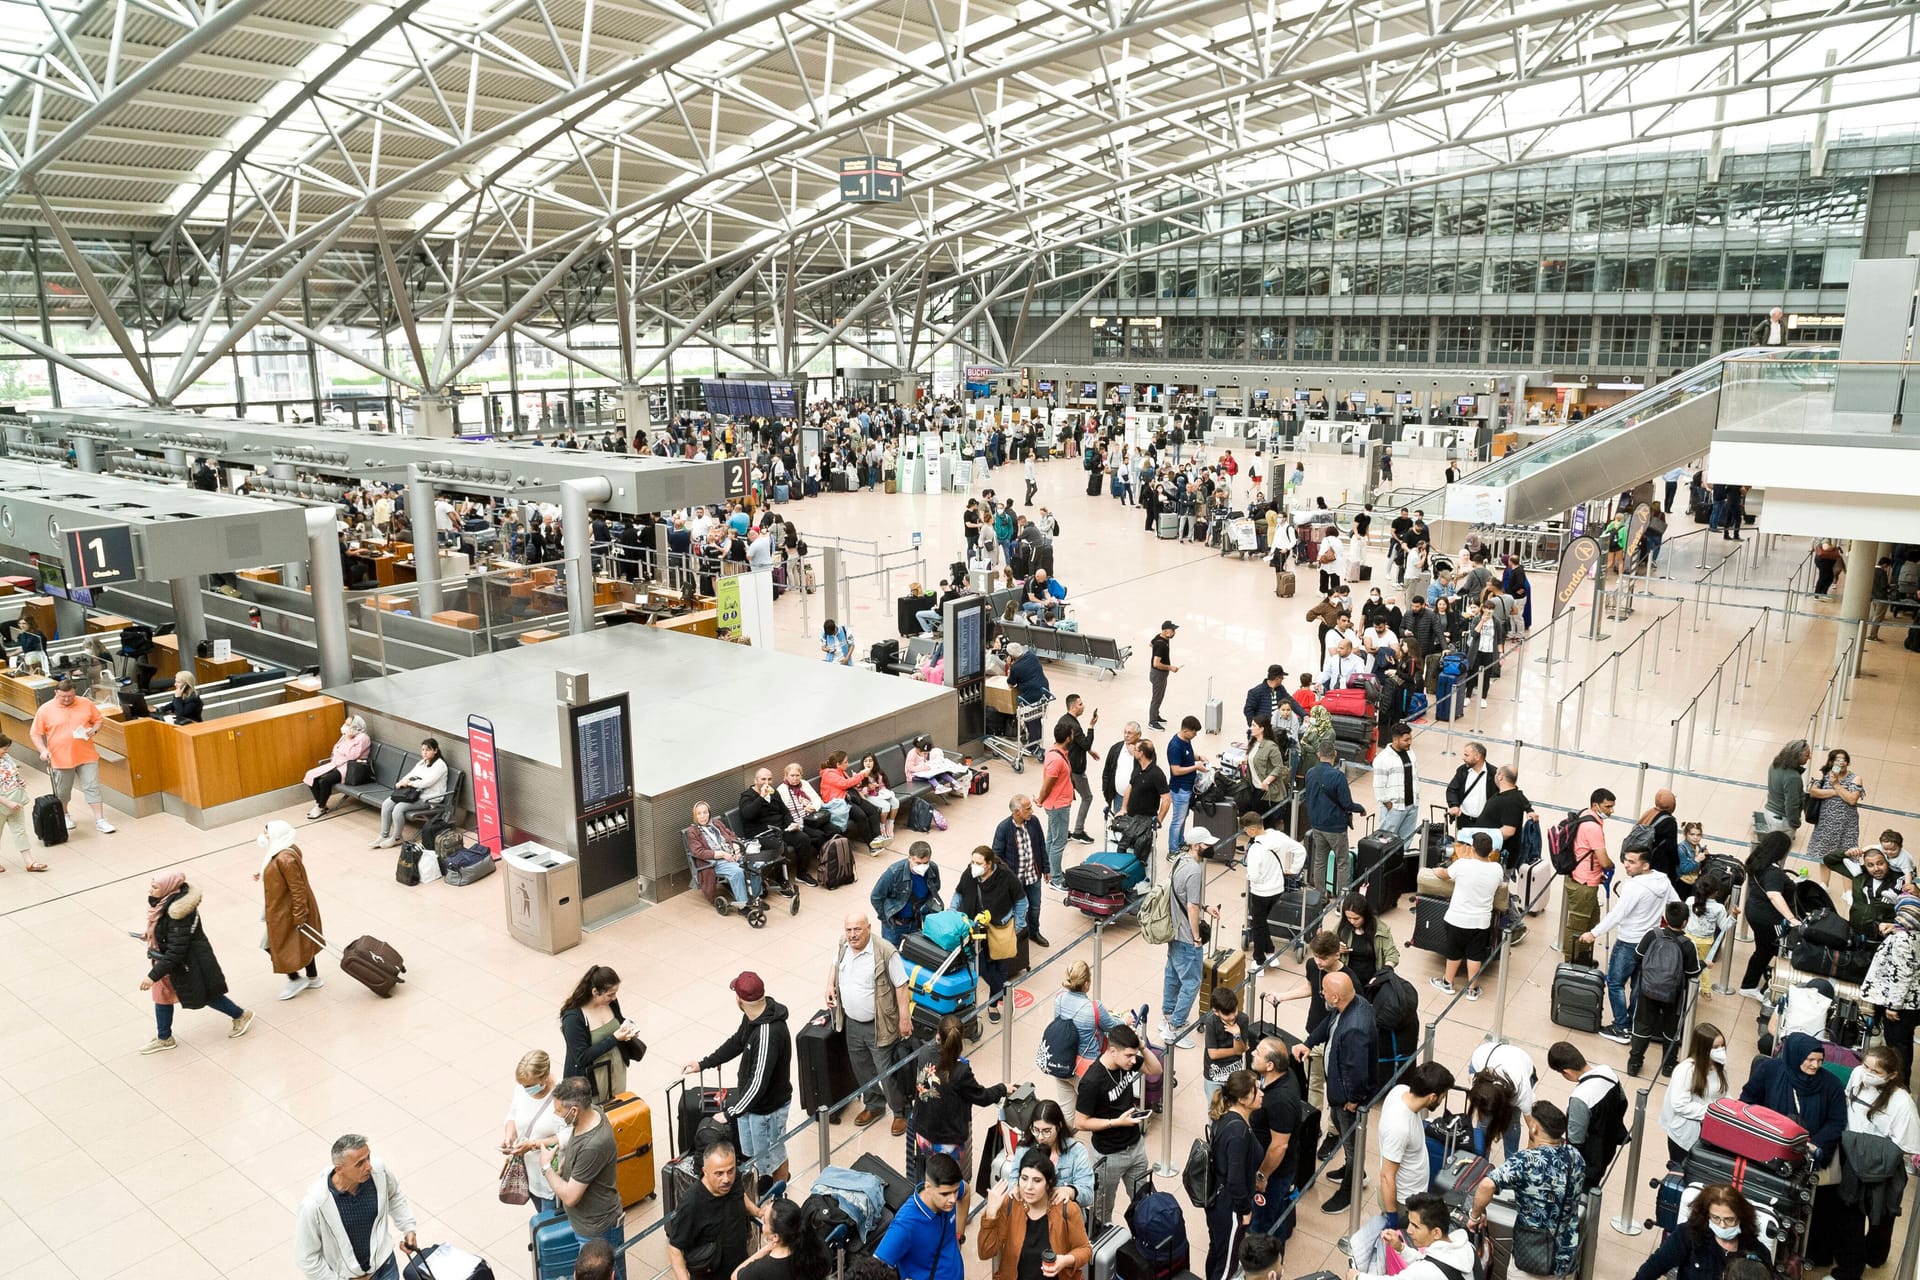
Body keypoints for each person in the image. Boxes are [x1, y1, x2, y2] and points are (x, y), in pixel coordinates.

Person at [683, 971, 793, 1184]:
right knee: (755, 1154)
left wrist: (731, 1111)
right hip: (751, 1106)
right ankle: (765, 1184)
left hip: (768, 1109)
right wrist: (704, 1063)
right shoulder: (754, 1017)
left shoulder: (768, 1033)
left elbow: (758, 1083)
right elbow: (737, 1042)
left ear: (740, 1000)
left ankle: (780, 1195)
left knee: (774, 1156)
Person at [1826, 1045, 1920, 1280]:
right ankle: (1849, 1269)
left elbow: (1908, 1146)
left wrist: (1871, 1151)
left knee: (1882, 1216)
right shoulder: (1858, 1075)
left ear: (1892, 1075)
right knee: (1850, 1215)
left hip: (1883, 1168)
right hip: (1850, 1159)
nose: (1867, 1073)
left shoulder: (1902, 1103)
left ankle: (1876, 1255)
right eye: (1866, 1066)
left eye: (1875, 1071)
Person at [137, 870, 255, 1052]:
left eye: (155, 887)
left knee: (206, 996)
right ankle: (164, 1037)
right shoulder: (163, 904)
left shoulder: (178, 912)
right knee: (162, 997)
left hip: (189, 964)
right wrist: (151, 935)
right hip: (171, 963)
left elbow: (177, 950)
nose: (150, 890)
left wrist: (152, 976)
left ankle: (240, 1015)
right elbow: (164, 930)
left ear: (168, 888)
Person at [1579, 844, 1683, 1046]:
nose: (1626, 865)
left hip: (1628, 941)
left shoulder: (1634, 887)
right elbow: (1675, 903)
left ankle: (1621, 1026)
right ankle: (1635, 1024)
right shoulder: (1662, 880)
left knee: (1616, 982)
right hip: (1651, 941)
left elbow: (1617, 915)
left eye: (1632, 862)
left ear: (1645, 865)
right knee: (1638, 985)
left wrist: (1594, 933)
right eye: (1626, 860)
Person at [1469, 1101, 1586, 1280]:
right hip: (1565, 1257)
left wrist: (1474, 1216)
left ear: (1534, 1128)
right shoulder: (1575, 1156)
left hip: (1531, 1258)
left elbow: (1487, 1185)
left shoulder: (1526, 1161)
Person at [827, 912, 913, 1135]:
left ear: (869, 928)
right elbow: (835, 965)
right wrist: (829, 985)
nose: (852, 935)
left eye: (857, 929)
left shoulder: (885, 952)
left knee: (887, 1072)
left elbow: (902, 987)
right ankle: (874, 1105)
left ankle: (901, 1112)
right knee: (862, 1068)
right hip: (852, 1023)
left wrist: (905, 1019)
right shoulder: (843, 944)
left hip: (880, 1024)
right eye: (849, 930)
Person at [1300, 970, 1376, 1214]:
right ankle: (1352, 1170)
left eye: (1324, 990)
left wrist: (1353, 1099)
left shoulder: (1355, 1027)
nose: (1320, 992)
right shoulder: (1352, 1004)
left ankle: (1350, 1189)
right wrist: (1309, 1042)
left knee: (1352, 1142)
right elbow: (1328, 1024)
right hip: (1341, 1093)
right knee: (1346, 1136)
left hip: (1347, 1099)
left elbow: (1358, 1069)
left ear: (1335, 997)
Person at [293, 1134, 418, 1280]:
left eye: (368, 1158)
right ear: (339, 1169)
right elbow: (306, 1258)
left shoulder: (379, 1172)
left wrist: (408, 1228)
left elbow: (394, 1196)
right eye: (359, 1164)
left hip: (386, 1267)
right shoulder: (314, 1205)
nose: (368, 1166)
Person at [1073, 1022, 1160, 1225]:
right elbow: (1080, 1122)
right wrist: (1116, 1122)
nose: (1133, 1060)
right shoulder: (1092, 1081)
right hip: (1108, 1155)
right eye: (1128, 1055)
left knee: (1144, 1203)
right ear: (1112, 1051)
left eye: (1134, 1055)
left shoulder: (1126, 1063)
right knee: (1102, 1212)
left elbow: (1155, 1069)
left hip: (1135, 1147)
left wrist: (1143, 1047)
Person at [978, 1149, 1094, 1280]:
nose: (1028, 1187)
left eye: (1037, 1180)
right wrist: (991, 1215)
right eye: (1024, 1178)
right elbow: (985, 1252)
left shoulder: (1067, 1209)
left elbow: (1085, 1250)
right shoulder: (1010, 1204)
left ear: (1049, 1183)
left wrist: (1064, 1260)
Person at [1741, 1033, 1846, 1170]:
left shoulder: (1832, 1085)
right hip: (1766, 1143)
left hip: (1806, 1155)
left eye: (1820, 1060)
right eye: (1810, 1059)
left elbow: (1836, 1122)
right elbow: (1747, 1102)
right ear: (1796, 1056)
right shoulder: (1770, 1070)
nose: (1815, 1065)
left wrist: (1815, 1144)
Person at [1628, 1183, 1771, 1280]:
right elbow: (1656, 1265)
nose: (1722, 1225)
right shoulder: (1690, 1234)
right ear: (1706, 1215)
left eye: (1729, 1219)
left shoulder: (1757, 1252)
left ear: (1741, 1217)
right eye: (1716, 1218)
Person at [1623, 902, 1703, 1077]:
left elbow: (1637, 956)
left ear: (1665, 918)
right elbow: (1692, 973)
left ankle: (1634, 1062)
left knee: (1642, 1025)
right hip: (1674, 995)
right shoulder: (1688, 944)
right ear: (1685, 922)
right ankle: (1668, 1066)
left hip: (1647, 990)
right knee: (1671, 1028)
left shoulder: (1652, 935)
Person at [665, 1138, 760, 1280]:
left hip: (740, 1269)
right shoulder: (691, 1204)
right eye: (719, 1173)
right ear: (705, 1171)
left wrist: (757, 1211)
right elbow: (675, 1248)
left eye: (730, 1171)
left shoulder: (733, 1180)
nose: (726, 1179)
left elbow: (741, 1194)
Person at [29, 677, 114, 833]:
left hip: (86, 755)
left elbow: (98, 720)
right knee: (63, 792)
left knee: (92, 787)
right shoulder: (45, 710)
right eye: (63, 696)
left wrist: (94, 729)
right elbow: (35, 733)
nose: (67, 699)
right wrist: (43, 750)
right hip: (60, 758)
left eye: (70, 696)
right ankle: (65, 814)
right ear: (56, 693)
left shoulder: (85, 703)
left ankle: (100, 820)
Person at [254, 819, 325, 1001]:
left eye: (267, 832)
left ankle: (294, 978)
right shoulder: (286, 848)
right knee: (304, 940)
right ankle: (313, 977)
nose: (265, 836)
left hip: (287, 909)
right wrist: (263, 873)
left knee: (269, 944)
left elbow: (297, 888)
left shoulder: (284, 858)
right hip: (287, 907)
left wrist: (299, 915)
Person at [1202, 1071, 1263, 1280]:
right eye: (1257, 1090)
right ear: (1244, 1099)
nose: (1262, 1093)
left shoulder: (1228, 1116)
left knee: (1218, 1251)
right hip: (1229, 1207)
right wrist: (1244, 1210)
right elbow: (1235, 1178)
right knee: (1227, 1265)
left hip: (1217, 1201)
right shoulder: (1238, 1133)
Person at [1429, 831, 1504, 1001]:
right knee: (1474, 955)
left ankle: (1448, 983)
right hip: (1481, 922)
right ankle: (1472, 989)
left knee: (1453, 952)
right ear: (1491, 850)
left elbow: (1444, 874)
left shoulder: (1462, 864)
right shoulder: (1497, 869)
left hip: (1457, 918)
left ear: (1472, 849)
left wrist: (1435, 870)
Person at [955, 846, 1024, 1022]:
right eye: (972, 862)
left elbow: (1021, 900)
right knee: (979, 967)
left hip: (998, 929)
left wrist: (1018, 926)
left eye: (978, 863)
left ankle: (993, 1003)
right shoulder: (969, 874)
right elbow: (958, 894)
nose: (974, 866)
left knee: (1000, 966)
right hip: (974, 929)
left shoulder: (1006, 877)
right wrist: (953, 915)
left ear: (989, 864)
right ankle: (1003, 991)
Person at [1549, 1041, 1627, 1192]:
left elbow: (1575, 1141)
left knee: (1582, 1189)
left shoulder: (1580, 1097)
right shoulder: (1608, 1072)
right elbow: (1623, 1102)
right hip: (1609, 1144)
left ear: (1567, 1072)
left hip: (1589, 1158)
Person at [1159, 837, 1214, 1049]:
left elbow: (1182, 897)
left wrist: (1205, 907)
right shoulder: (1195, 871)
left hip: (1174, 931)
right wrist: (1196, 937)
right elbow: (1191, 906)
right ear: (1196, 845)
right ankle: (1175, 1028)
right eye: (1207, 844)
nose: (1211, 847)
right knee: (1191, 983)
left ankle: (1167, 1015)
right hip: (1186, 936)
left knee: (1172, 974)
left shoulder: (1180, 860)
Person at [560, 964, 645, 1102]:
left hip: (617, 1067)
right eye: (610, 994)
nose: (614, 997)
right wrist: (614, 1038)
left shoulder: (611, 1003)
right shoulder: (573, 1019)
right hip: (593, 1076)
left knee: (618, 1107)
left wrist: (629, 1027)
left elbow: (619, 1020)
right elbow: (581, 1057)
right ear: (595, 992)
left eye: (615, 993)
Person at [1735, 831, 1805, 998]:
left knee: (1764, 948)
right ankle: (1753, 986)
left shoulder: (1757, 863)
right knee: (1772, 949)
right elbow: (1774, 895)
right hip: (1770, 919)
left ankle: (1751, 984)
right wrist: (1792, 919)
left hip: (1754, 912)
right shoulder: (1773, 872)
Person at [875, 1151, 966, 1278]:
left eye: (955, 1191)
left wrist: (959, 1234)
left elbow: (966, 1191)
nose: (952, 1199)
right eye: (945, 1194)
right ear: (928, 1187)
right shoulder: (905, 1225)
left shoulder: (949, 1191)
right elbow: (875, 1269)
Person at [994, 1100, 1097, 1209]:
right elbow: (1014, 1179)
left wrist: (1070, 1191)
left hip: (1064, 1215)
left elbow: (1088, 1195)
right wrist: (1015, 1188)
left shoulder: (1076, 1151)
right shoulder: (1024, 1148)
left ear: (1059, 1126)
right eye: (1036, 1130)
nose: (1040, 1137)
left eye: (1047, 1131)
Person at [1351, 1192, 1478, 1280]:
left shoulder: (1425, 1271)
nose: (1409, 1230)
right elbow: (1433, 1263)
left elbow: (1426, 1270)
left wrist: (1356, 1277)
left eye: (1415, 1226)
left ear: (1436, 1232)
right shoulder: (1466, 1247)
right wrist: (1401, 1248)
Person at [1659, 1023, 1730, 1165]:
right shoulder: (1685, 1070)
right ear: (1703, 1049)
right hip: (1684, 1135)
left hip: (1708, 1132)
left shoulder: (1719, 1069)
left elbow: (1723, 1094)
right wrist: (1713, 1112)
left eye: (1722, 1046)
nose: (1720, 1050)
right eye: (1715, 1047)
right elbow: (1680, 1105)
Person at [1861, 894, 1920, 1064]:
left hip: (1901, 1005)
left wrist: (1893, 1006)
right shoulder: (1914, 935)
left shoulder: (1902, 940)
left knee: (1897, 1048)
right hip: (1914, 1003)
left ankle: (1899, 1083)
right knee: (1903, 1044)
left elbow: (1902, 975)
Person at [1243, 811, 1305, 971]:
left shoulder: (1255, 849)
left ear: (1252, 830)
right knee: (1262, 922)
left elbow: (1254, 875)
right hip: (1277, 888)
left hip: (1260, 891)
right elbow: (1300, 850)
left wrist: (1250, 875)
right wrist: (1292, 869)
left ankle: (1259, 960)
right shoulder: (1278, 836)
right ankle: (1270, 952)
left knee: (1257, 924)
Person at [684, 800, 770, 914]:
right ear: (695, 816)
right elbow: (698, 852)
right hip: (715, 861)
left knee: (754, 864)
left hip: (732, 854)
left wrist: (736, 848)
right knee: (737, 872)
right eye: (699, 813)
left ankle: (755, 898)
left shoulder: (716, 823)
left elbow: (731, 835)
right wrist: (722, 854)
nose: (703, 816)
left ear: (709, 813)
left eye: (705, 812)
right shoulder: (692, 831)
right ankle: (742, 905)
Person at [502, 1050, 561, 1215]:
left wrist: (533, 1145)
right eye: (523, 1085)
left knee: (549, 1222)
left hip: (551, 1175)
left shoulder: (562, 1092)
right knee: (539, 1213)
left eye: (529, 1085)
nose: (525, 1089)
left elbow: (567, 1136)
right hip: (528, 1171)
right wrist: (509, 1136)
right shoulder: (522, 1087)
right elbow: (512, 1114)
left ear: (545, 1076)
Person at [1304, 744, 1366, 896]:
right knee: (1342, 862)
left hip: (1317, 825)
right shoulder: (1338, 776)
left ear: (1318, 754)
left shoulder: (1310, 773)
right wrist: (1360, 808)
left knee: (1320, 861)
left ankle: (1320, 894)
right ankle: (1343, 899)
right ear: (1335, 754)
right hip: (1335, 827)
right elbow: (1347, 803)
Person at [740, 767, 820, 881]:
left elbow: (785, 811)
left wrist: (791, 823)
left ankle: (802, 874)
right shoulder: (747, 797)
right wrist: (761, 797)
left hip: (780, 829)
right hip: (761, 834)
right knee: (781, 847)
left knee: (803, 838)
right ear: (755, 780)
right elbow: (748, 814)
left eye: (769, 779)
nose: (767, 783)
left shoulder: (774, 793)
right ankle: (781, 880)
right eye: (763, 779)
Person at [994, 794, 1051, 947]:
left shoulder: (1034, 822)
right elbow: (996, 856)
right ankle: (1017, 936)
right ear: (1017, 812)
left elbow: (1041, 845)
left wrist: (1046, 868)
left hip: (1033, 876)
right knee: (1017, 909)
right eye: (1028, 809)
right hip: (1015, 880)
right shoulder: (1004, 828)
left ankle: (1034, 932)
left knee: (1035, 906)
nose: (1031, 811)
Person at [1466, 1039, 1538, 1159]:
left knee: (1512, 1121)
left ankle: (1511, 1160)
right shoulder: (1478, 1083)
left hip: (1521, 1061)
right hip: (1483, 1055)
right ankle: (1480, 1159)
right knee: (1484, 1123)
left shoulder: (1522, 1092)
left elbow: (1533, 1127)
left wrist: (1530, 1158)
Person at [373, 737, 448, 849]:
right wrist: (401, 782)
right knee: (387, 804)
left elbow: (427, 782)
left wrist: (411, 783)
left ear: (435, 750)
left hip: (428, 798)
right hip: (413, 794)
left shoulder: (440, 765)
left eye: (428, 750)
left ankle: (397, 838)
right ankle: (384, 835)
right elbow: (410, 775)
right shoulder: (422, 762)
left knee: (399, 808)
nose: (424, 752)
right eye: (423, 750)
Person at [1823, 841, 1905, 937]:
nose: (1876, 868)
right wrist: (1845, 853)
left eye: (1880, 863)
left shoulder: (1899, 880)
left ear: (1887, 862)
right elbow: (1829, 861)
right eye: (1870, 865)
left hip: (1882, 938)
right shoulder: (1859, 874)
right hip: (1855, 933)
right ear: (1865, 866)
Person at [735, 1198, 830, 1280]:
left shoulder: (763, 1269)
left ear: (775, 1236)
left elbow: (735, 1276)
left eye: (764, 1221)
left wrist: (765, 1249)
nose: (762, 1218)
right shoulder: (817, 1247)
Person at [871, 841, 945, 946]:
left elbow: (935, 889)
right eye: (918, 863)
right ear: (910, 858)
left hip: (916, 923)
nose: (922, 867)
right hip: (895, 927)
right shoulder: (894, 872)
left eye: (926, 863)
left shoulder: (932, 868)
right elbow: (876, 897)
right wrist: (887, 919)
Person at [1805, 747, 1865, 871]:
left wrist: (1836, 784)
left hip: (1847, 825)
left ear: (1848, 763)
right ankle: (1824, 884)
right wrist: (1835, 791)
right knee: (1824, 855)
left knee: (1848, 856)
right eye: (1837, 760)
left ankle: (1848, 890)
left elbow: (1852, 799)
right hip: (1826, 823)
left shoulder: (1855, 778)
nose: (1841, 763)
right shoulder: (1824, 774)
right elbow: (1813, 792)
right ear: (1831, 762)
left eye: (1844, 760)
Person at [305, 715, 372, 819]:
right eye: (345, 723)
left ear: (356, 725)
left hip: (350, 767)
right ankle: (320, 804)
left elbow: (352, 756)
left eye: (349, 724)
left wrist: (349, 739)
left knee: (326, 781)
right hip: (336, 763)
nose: (346, 726)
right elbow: (336, 750)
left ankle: (320, 806)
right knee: (311, 775)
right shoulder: (345, 736)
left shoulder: (363, 737)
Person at [821, 751, 889, 849]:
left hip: (850, 797)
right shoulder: (828, 774)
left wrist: (856, 781)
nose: (847, 764)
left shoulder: (842, 772)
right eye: (845, 762)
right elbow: (844, 784)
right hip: (840, 803)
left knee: (873, 810)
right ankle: (871, 845)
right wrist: (861, 775)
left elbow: (849, 784)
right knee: (861, 816)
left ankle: (878, 838)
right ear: (837, 764)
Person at [1056, 694, 1100, 842]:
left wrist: (1088, 751)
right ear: (1073, 707)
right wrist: (1091, 727)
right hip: (1076, 769)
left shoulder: (1063, 721)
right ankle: (1078, 831)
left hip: (1065, 766)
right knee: (1087, 797)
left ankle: (1063, 831)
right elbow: (1085, 743)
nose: (1083, 706)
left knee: (1066, 799)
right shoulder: (1075, 726)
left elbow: (1077, 743)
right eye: (1080, 704)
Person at [1336, 894, 1400, 995]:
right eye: (1349, 918)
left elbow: (1392, 955)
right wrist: (1336, 948)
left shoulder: (1380, 929)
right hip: (1347, 980)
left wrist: (1384, 971)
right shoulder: (1343, 926)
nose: (1352, 921)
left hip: (1371, 982)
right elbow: (1328, 945)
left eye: (1356, 918)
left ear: (1365, 915)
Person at [1165, 716, 1208, 856]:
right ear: (1185, 730)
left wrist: (1199, 757)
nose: (1195, 735)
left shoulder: (1186, 740)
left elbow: (1188, 755)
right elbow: (1176, 770)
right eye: (1194, 732)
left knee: (1183, 817)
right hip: (1180, 789)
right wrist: (1196, 767)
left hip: (1188, 787)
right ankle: (1172, 850)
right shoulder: (1174, 746)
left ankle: (1180, 842)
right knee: (1178, 820)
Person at [1755, 739, 1810, 837]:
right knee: (1780, 851)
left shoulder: (1775, 765)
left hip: (1770, 812)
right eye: (1807, 755)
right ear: (1797, 756)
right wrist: (1795, 823)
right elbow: (1792, 804)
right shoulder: (1793, 777)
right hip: (1782, 820)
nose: (1809, 757)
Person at [0, 731, 33, 870]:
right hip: (5, 801)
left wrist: (20, 782)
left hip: (15, 798)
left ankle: (29, 862)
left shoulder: (7, 758)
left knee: (20, 831)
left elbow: (14, 773)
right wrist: (8, 802)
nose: (5, 751)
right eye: (4, 748)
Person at [1444, 741, 1492, 830]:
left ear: (1477, 757)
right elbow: (1452, 789)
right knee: (1461, 844)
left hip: (1485, 824)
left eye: (1466, 755)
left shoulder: (1493, 774)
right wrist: (1454, 805)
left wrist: (1527, 808)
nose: (1463, 758)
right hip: (1464, 821)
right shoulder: (1462, 771)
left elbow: (1508, 791)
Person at [1147, 620, 1179, 731]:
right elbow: (1156, 663)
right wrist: (1170, 667)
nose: (1174, 632)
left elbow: (1151, 644)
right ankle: (1152, 721)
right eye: (1172, 630)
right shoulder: (1161, 645)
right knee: (1156, 698)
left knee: (1160, 696)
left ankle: (1156, 715)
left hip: (1159, 674)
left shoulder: (1160, 638)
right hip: (1158, 674)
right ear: (1165, 631)